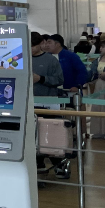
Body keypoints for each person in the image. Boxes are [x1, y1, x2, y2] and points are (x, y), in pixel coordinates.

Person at [31, 32, 67, 178]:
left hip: (48, 104)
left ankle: (60, 165)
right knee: (33, 137)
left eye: (32, 46)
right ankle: (39, 167)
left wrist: (41, 78)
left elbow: (59, 79)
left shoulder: (51, 60)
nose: (30, 49)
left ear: (40, 44)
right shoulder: (21, 59)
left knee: (50, 137)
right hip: (30, 104)